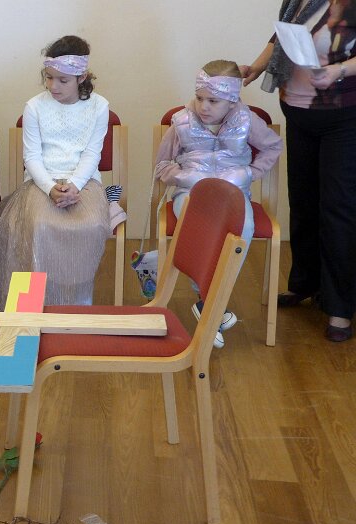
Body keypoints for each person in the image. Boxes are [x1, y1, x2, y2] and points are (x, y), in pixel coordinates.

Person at [145, 61, 283, 348]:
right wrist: (176, 174)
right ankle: (212, 305)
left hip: (234, 195)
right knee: (201, 226)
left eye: (213, 101)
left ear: (231, 100)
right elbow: (162, 163)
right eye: (199, 98)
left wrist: (252, 173)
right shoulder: (181, 122)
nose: (203, 106)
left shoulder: (247, 120)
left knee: (242, 228)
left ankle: (208, 305)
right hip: (192, 193)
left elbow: (273, 146)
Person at [242, 0, 356, 342]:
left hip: (344, 118)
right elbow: (282, 37)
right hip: (298, 111)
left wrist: (339, 70)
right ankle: (305, 284)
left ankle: (339, 307)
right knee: (303, 201)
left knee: (337, 209)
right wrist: (257, 68)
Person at [0, 36, 109, 309]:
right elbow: (32, 157)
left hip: (84, 181)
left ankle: (76, 301)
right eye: (49, 78)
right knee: (40, 225)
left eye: (62, 80)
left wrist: (75, 185)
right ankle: (38, 304)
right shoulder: (35, 106)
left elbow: (92, 154)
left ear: (82, 77)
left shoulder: (99, 106)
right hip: (41, 181)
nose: (53, 86)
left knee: (92, 224)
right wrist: (50, 187)